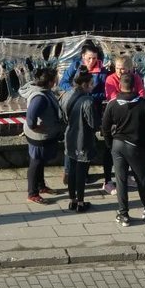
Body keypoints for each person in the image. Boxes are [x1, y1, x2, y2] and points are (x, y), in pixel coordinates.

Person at [102, 71, 145, 227]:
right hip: (136, 147)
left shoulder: (113, 104)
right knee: (141, 179)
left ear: (119, 86)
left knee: (121, 180)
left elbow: (105, 128)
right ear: (136, 85)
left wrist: (110, 144)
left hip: (117, 145)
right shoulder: (144, 104)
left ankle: (123, 214)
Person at [59, 39, 114, 193]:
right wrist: (76, 92)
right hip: (75, 108)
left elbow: (105, 92)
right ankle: (68, 171)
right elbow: (62, 83)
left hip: (91, 108)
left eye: (94, 58)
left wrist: (90, 95)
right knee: (71, 139)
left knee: (87, 140)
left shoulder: (102, 71)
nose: (92, 61)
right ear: (83, 56)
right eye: (89, 58)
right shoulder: (76, 65)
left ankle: (84, 173)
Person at [19, 66, 62, 204]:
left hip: (43, 134)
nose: (57, 80)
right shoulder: (40, 98)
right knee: (36, 162)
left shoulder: (44, 92)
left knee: (40, 160)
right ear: (50, 82)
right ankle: (32, 193)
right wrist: (35, 127)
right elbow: (31, 117)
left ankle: (41, 186)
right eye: (55, 78)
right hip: (38, 136)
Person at [59, 69, 98, 212]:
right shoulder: (88, 101)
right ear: (85, 84)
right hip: (83, 138)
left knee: (72, 169)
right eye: (91, 83)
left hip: (69, 136)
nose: (93, 85)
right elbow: (93, 123)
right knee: (81, 170)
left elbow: (62, 116)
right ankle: (81, 202)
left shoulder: (66, 95)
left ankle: (72, 200)